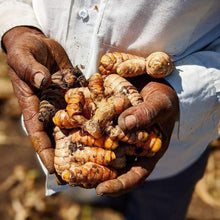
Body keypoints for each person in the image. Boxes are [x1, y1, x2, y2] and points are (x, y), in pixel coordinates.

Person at [0, 0, 219, 219]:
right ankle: (95, 196)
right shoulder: (72, 119)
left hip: (177, 150)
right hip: (68, 133)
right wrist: (18, 27)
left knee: (158, 207)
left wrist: (184, 87)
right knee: (87, 186)